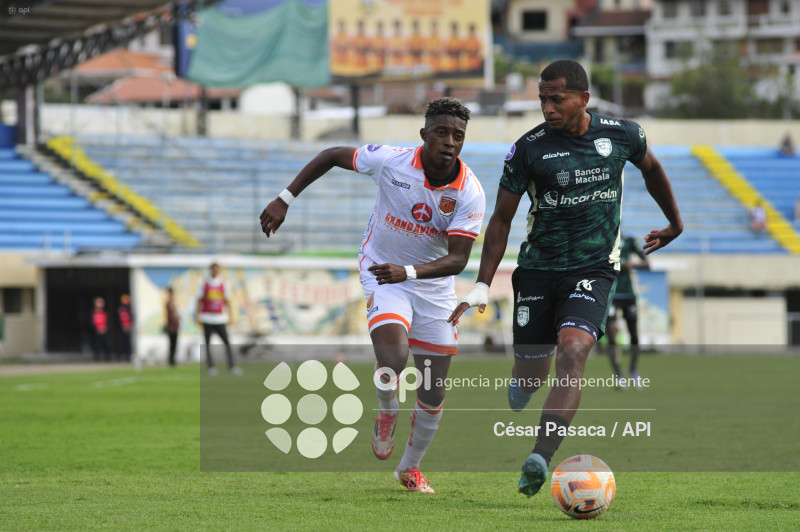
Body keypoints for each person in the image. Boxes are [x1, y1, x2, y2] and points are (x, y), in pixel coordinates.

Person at [448, 60, 682, 499]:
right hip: (538, 271)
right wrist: (481, 282)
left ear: (582, 99)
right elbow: (500, 220)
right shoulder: (528, 150)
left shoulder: (623, 134)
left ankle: (541, 455)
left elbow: (651, 168)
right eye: (542, 99)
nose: (547, 107)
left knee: (573, 350)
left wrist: (674, 222)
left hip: (593, 269)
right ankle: (523, 379)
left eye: (556, 99)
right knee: (532, 377)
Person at [260, 97, 485, 493]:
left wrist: (411, 272)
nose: (450, 141)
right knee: (393, 358)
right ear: (424, 134)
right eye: (442, 132)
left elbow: (457, 260)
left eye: (458, 135)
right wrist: (285, 198)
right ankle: (387, 412)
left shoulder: (469, 192)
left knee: (432, 390)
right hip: (383, 271)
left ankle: (409, 469)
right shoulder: (391, 161)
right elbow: (331, 155)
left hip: (433, 287)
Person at [605, 234, 650, 388]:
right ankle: (618, 375)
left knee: (634, 335)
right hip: (610, 293)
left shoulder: (629, 241)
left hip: (628, 294)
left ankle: (633, 370)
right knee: (611, 335)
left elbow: (647, 263)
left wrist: (630, 264)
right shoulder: (603, 240)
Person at [196, 262, 241, 376]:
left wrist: (231, 315)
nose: (215, 271)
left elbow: (228, 300)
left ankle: (232, 366)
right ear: (210, 270)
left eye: (217, 269)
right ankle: (211, 367)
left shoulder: (224, 283)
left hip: (220, 319)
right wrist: (198, 315)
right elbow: (199, 300)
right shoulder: (204, 283)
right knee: (207, 344)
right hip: (207, 318)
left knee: (227, 343)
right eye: (213, 269)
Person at [90, 297, 111, 361]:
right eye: (99, 302)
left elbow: (107, 321)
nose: (100, 304)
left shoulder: (105, 312)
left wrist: (105, 329)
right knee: (96, 345)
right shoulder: (92, 312)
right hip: (96, 331)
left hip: (104, 331)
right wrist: (96, 329)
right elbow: (91, 322)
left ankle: (107, 357)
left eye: (101, 302)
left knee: (106, 344)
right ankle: (97, 357)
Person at [164, 286, 180, 367]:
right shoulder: (169, 303)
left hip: (175, 327)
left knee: (174, 344)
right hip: (172, 327)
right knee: (172, 344)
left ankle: (173, 359)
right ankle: (171, 360)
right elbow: (170, 316)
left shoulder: (173, 303)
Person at [117, 294, 133, 361]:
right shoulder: (120, 309)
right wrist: (122, 326)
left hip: (128, 328)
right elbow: (118, 319)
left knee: (128, 343)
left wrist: (129, 326)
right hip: (121, 328)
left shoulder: (130, 309)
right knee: (121, 342)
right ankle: (120, 356)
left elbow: (132, 318)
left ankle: (128, 355)